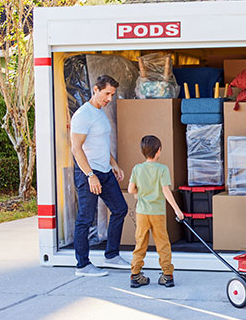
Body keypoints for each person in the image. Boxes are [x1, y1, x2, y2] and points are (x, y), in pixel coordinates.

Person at [70, 74, 129, 277]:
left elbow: (102, 144)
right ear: (95, 90)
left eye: (112, 94)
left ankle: (111, 255)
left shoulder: (100, 113)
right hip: (89, 173)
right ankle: (83, 265)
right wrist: (89, 175)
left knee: (120, 209)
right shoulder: (82, 115)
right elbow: (76, 149)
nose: (109, 99)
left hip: (105, 172)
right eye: (107, 94)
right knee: (85, 219)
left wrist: (115, 165)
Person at [127, 135, 183, 288]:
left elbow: (131, 189)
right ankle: (167, 275)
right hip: (157, 213)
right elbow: (166, 191)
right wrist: (177, 210)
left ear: (142, 151)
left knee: (140, 243)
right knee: (163, 243)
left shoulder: (137, 169)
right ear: (159, 151)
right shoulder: (162, 169)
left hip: (142, 213)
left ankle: (136, 275)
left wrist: (139, 191)